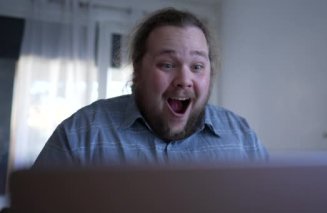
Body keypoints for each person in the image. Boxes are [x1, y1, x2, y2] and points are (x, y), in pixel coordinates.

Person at [32, 7, 267, 168]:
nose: (184, 79)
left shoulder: (242, 138)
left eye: (197, 66)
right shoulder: (80, 135)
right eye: (167, 64)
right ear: (137, 69)